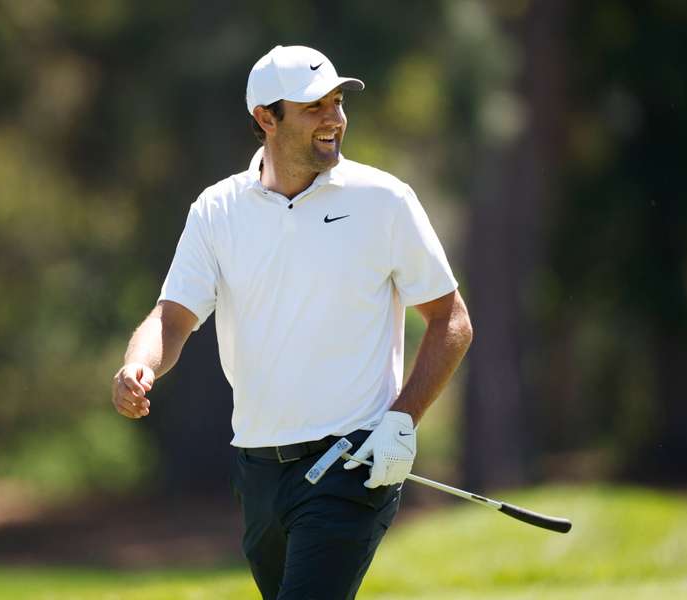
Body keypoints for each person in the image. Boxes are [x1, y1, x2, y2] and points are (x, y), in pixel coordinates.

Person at [110, 45, 472, 600]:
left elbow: (451, 319)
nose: (334, 118)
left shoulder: (384, 201)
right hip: (257, 469)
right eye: (313, 107)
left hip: (352, 464)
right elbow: (173, 315)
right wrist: (139, 365)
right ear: (265, 118)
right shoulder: (217, 210)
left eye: (337, 102)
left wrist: (402, 420)